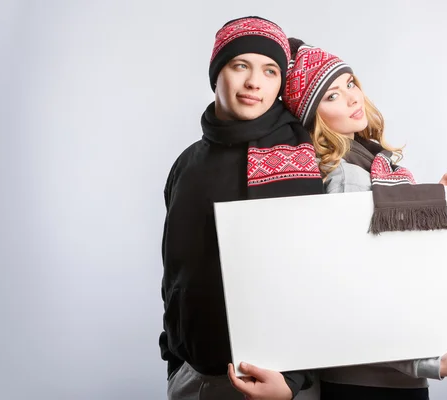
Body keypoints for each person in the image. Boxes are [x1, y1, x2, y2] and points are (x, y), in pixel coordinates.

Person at [276, 38, 447, 400]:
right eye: (331, 96)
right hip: (369, 378)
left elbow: (400, 262)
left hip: (382, 372)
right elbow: (359, 294)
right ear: (313, 117)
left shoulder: (371, 163)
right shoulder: (347, 176)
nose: (352, 98)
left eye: (349, 83)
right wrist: (433, 364)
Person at [160, 18, 324, 400]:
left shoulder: (305, 156)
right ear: (217, 73)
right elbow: (176, 270)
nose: (255, 83)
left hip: (274, 383)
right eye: (240, 66)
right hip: (192, 377)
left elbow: (321, 276)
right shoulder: (187, 164)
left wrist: (292, 382)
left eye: (270, 71)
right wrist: (174, 357)